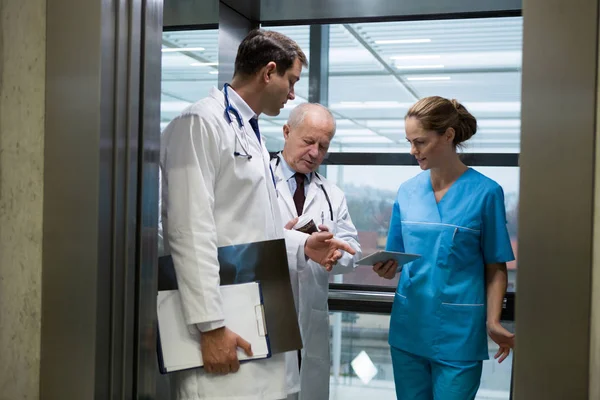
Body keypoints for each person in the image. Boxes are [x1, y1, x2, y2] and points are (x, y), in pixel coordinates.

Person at [160, 29, 356, 400]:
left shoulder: (248, 131)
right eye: (291, 80)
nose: (293, 93)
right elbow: (189, 231)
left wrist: (303, 246)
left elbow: (251, 227)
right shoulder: (201, 123)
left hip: (255, 317)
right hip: (221, 323)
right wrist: (210, 326)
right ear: (269, 72)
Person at [373, 96, 515, 400]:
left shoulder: (486, 193)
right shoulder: (407, 192)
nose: (413, 151)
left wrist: (492, 321)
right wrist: (386, 268)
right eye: (410, 142)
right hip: (408, 329)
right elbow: (396, 261)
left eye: (420, 142)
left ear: (448, 136)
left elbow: (496, 266)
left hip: (459, 334)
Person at [270, 103, 362, 400]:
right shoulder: (258, 181)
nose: (315, 153)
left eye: (323, 146)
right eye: (308, 142)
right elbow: (240, 237)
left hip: (310, 318)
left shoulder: (332, 194)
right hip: (266, 311)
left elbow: (353, 249)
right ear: (286, 132)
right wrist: (291, 241)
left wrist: (337, 254)